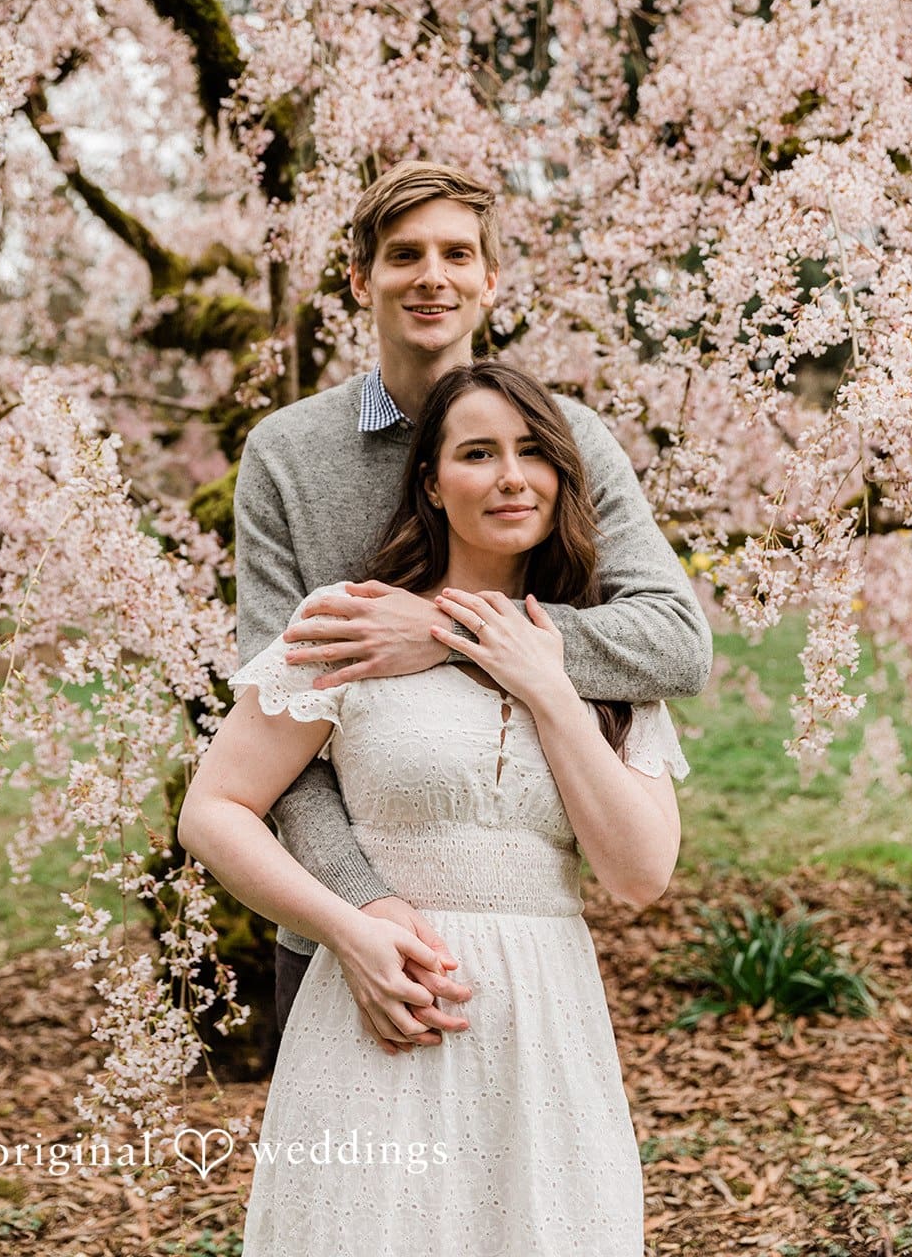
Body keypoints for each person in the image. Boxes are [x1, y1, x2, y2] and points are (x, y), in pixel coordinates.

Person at [179, 360, 692, 1253]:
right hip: (381, 1010)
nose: (508, 476)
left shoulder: (605, 660)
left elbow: (639, 874)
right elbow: (214, 808)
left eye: (532, 453)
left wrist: (544, 681)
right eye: (477, 453)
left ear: (564, 477)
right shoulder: (351, 623)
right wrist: (348, 928)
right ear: (431, 481)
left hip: (545, 1024)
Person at [231, 161, 711, 1045]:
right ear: (358, 278)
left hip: (522, 928)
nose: (431, 277)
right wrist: (363, 909)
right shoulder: (285, 455)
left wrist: (447, 631)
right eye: (403, 254)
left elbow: (676, 644)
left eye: (457, 253)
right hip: (337, 929)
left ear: (489, 280)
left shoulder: (564, 441)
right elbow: (275, 720)